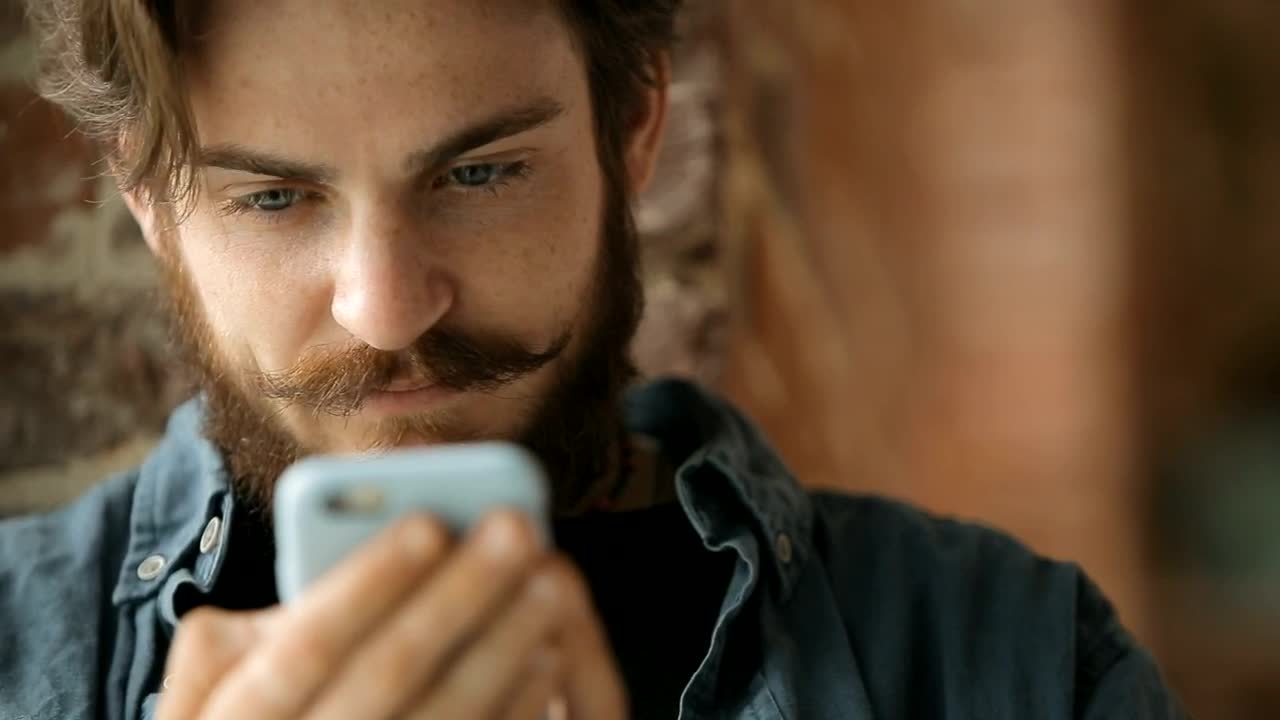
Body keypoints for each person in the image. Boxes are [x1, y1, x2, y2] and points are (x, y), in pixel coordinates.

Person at [0, 1, 1186, 718]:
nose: (388, 309)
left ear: (635, 131)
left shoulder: (1011, 662)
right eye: (270, 197)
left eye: (479, 173)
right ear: (147, 203)